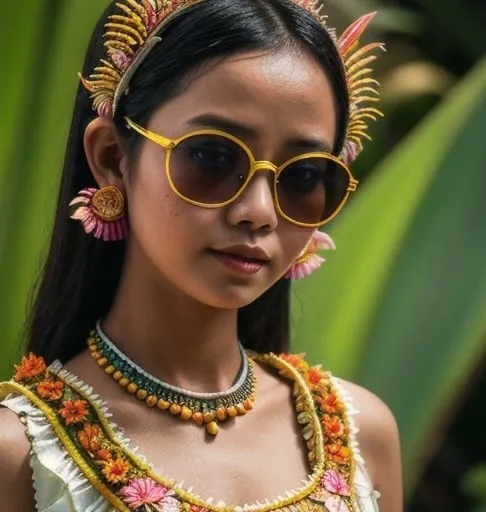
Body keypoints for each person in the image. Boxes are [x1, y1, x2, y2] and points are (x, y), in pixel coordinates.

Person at [0, 0, 402, 510]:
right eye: (213, 156)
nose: (259, 211)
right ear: (112, 158)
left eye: (302, 176)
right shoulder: (21, 455)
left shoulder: (363, 436)